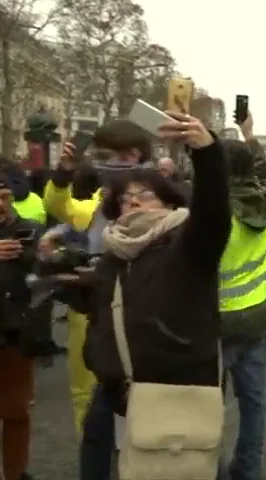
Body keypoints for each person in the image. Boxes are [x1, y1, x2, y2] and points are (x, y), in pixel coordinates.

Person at [55, 112, 231, 477]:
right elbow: (106, 307)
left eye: (145, 195)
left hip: (171, 394)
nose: (132, 202)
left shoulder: (188, 247)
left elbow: (214, 214)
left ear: (169, 203)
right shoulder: (115, 255)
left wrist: (207, 152)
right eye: (125, 199)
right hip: (114, 392)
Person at [42, 119, 153, 440]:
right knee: (85, 391)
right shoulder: (92, 204)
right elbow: (59, 205)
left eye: (113, 156)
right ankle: (91, 449)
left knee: (136, 387)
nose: (105, 164)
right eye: (101, 156)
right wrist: (63, 173)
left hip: (137, 313)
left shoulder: (161, 204)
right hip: (89, 313)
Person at [218, 138, 266, 480]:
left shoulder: (213, 212)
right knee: (253, 403)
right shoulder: (265, 203)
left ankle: (213, 468)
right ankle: (249, 468)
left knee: (209, 406)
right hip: (256, 313)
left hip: (217, 319)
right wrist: (250, 134)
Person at [0, 172, 43, 480]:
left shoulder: (28, 230)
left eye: (4, 197)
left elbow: (44, 266)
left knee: (16, 412)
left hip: (15, 332)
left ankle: (16, 473)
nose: (0, 204)